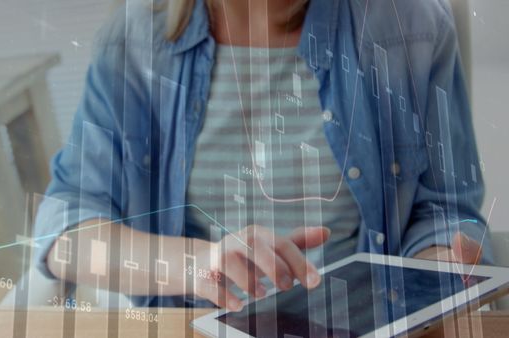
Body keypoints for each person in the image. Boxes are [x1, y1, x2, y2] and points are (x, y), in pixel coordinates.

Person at [34, 0, 492, 312]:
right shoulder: (133, 43)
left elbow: (442, 209)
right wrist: (203, 264)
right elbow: (66, 237)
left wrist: (441, 266)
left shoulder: (410, 25)